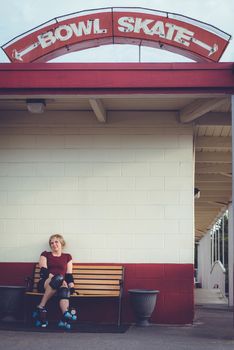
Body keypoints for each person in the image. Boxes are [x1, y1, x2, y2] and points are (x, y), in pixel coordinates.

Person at [33, 234, 77, 329]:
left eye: (56, 242)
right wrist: (58, 278)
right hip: (45, 282)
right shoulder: (45, 254)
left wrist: (72, 287)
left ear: (61, 243)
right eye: (51, 243)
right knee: (58, 279)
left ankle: (64, 318)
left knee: (65, 290)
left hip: (60, 283)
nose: (54, 244)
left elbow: (69, 275)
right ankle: (41, 306)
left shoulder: (67, 257)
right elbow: (43, 271)